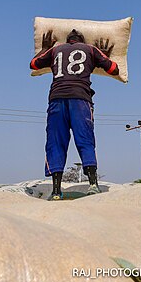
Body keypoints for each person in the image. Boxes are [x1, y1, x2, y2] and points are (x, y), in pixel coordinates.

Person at [30, 28, 119, 200]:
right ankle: (93, 185)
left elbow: (33, 65)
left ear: (68, 40)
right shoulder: (91, 50)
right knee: (85, 141)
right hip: (80, 100)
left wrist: (44, 48)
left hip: (57, 100)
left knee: (55, 143)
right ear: (83, 41)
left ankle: (56, 191)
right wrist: (104, 57)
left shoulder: (55, 50)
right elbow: (114, 69)